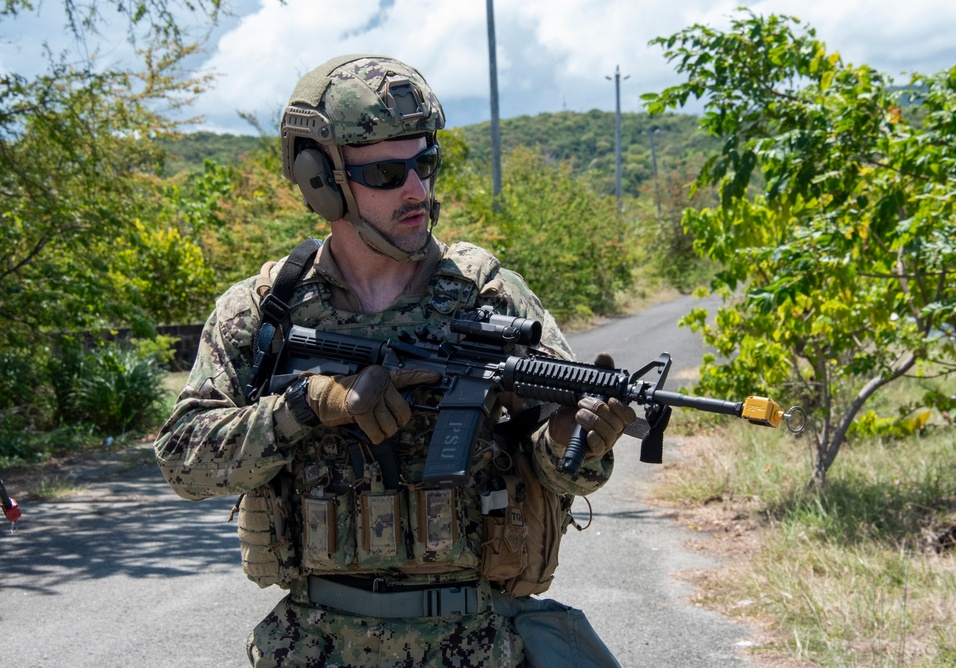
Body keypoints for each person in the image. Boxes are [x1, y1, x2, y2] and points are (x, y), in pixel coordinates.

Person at [154, 54, 635, 668]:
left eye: (425, 163)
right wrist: (307, 406)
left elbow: (561, 472)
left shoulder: (489, 296)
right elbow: (182, 462)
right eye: (386, 172)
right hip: (314, 645)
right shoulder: (265, 310)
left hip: (471, 645)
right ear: (319, 181)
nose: (417, 190)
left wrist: (579, 440)